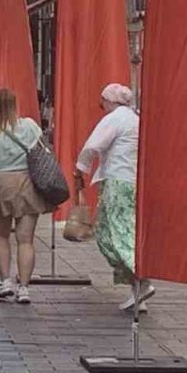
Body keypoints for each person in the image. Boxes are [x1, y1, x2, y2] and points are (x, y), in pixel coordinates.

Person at [73, 83, 151, 313]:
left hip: (117, 180)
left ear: (110, 101)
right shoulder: (136, 119)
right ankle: (137, 292)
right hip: (134, 180)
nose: (102, 107)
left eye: (103, 102)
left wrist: (80, 168)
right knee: (122, 229)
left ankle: (141, 279)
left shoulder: (115, 119)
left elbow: (93, 145)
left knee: (115, 233)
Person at [0, 87, 47, 304]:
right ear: (15, 105)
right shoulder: (31, 127)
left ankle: (5, 281)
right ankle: (24, 288)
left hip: (1, 186)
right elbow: (41, 151)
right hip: (27, 185)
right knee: (26, 240)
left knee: (1, 236)